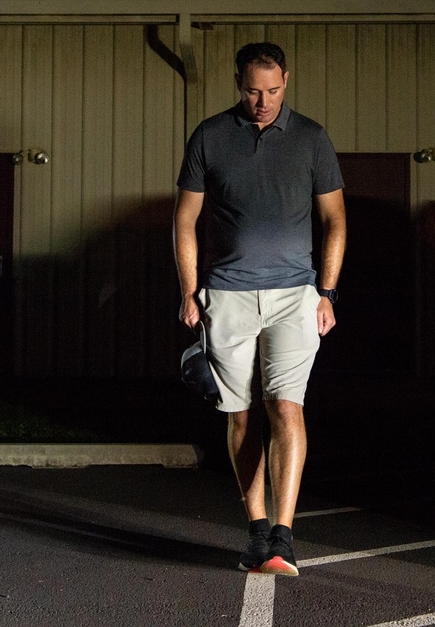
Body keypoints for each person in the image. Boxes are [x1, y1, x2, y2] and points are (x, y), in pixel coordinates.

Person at [173, 42, 347, 576]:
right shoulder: (210, 135)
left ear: (286, 82)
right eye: (252, 90)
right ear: (237, 82)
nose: (262, 101)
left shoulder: (312, 138)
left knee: (286, 407)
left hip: (295, 295)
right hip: (226, 294)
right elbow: (184, 221)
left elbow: (335, 220)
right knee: (240, 413)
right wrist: (189, 290)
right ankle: (255, 530)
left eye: (272, 91)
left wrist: (327, 291)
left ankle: (284, 535)